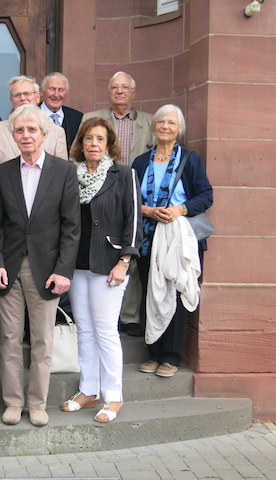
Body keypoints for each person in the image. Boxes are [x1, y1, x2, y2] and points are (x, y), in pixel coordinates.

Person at [0, 104, 80, 427]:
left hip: (47, 270)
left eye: (32, 130)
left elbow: (72, 226)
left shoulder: (64, 170)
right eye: (19, 130)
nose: (25, 135)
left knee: (43, 340)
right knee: (10, 339)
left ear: (45, 134)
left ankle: (38, 402)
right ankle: (13, 402)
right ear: (12, 135)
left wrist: (64, 270)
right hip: (9, 269)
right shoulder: (1, 172)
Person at [61, 117, 142, 423]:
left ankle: (114, 395)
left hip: (110, 265)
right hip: (77, 264)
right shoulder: (72, 175)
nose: (93, 144)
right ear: (80, 144)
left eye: (99, 139)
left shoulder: (123, 175)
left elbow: (133, 221)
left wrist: (125, 261)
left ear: (109, 145)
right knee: (84, 330)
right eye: (88, 139)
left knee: (106, 331)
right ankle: (88, 390)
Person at [132, 105, 213, 378]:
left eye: (172, 123)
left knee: (176, 295)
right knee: (151, 295)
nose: (165, 127)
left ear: (179, 130)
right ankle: (153, 353)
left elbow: (206, 196)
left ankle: (171, 356)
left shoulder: (190, 161)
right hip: (147, 240)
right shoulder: (141, 162)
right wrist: (148, 211)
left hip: (179, 240)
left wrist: (180, 209)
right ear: (153, 127)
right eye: (161, 122)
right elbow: (130, 200)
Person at [81, 71, 154, 338]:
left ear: (134, 93)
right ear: (108, 92)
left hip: (131, 191)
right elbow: (78, 151)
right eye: (114, 87)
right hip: (99, 191)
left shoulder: (149, 121)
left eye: (125, 88)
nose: (120, 92)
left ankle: (130, 316)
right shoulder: (92, 119)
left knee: (129, 254)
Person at [0, 75, 68, 166]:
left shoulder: (56, 132)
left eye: (27, 93)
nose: (22, 98)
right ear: (11, 100)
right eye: (17, 95)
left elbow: (62, 171)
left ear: (38, 97)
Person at [39, 72, 83, 153]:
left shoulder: (77, 118)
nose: (56, 95)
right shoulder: (31, 114)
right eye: (52, 89)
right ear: (42, 92)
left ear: (66, 94)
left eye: (61, 90)